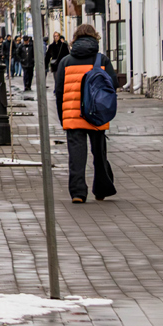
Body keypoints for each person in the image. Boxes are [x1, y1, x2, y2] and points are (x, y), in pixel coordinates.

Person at [54, 23, 116, 203]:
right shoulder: (102, 60)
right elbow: (112, 86)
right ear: (94, 37)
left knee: (76, 157)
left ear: (75, 39)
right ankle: (101, 189)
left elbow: (59, 92)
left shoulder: (65, 61)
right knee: (99, 154)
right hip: (97, 114)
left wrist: (63, 117)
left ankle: (78, 193)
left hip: (73, 118)